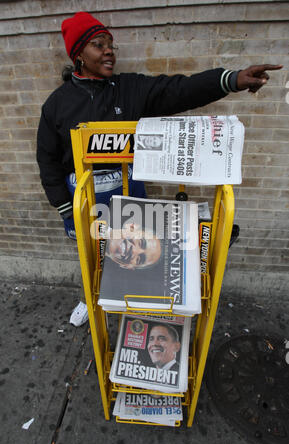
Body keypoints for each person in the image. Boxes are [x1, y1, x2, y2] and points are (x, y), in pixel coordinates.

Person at [36, 11, 282, 325]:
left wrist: (231, 79)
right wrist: (66, 208)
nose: (109, 51)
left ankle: (132, 306)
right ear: (79, 54)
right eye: (99, 45)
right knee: (91, 257)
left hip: (129, 194)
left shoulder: (129, 89)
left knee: (133, 255)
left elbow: (179, 89)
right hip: (84, 199)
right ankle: (89, 297)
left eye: (111, 45)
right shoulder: (57, 104)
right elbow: (47, 159)